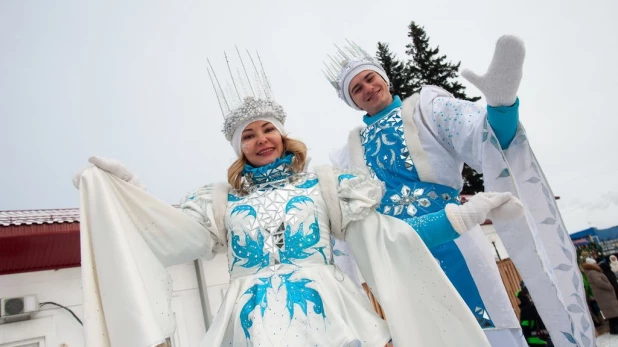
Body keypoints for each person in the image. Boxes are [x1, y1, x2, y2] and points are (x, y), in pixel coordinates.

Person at [72, 61, 524, 346]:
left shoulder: (326, 186)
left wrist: (463, 215)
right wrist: (128, 190)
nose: (260, 140)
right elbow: (173, 237)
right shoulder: (220, 202)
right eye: (248, 135)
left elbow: (390, 239)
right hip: (250, 328)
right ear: (239, 148)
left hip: (328, 321)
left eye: (266, 129)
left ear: (281, 134)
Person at [324, 36, 593, 346]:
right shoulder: (347, 154)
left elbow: (485, 139)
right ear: (352, 101)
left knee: (489, 330)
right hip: (400, 259)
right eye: (356, 88)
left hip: (458, 238)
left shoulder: (425, 109)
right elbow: (345, 220)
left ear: (383, 77)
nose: (367, 88)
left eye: (369, 78)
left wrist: (501, 108)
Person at [583, 258, 618, 335]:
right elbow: (599, 282)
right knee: (613, 313)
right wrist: (609, 286)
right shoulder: (593, 272)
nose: (596, 264)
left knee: (612, 314)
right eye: (594, 263)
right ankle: (615, 329)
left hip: (604, 296)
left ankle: (614, 329)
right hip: (605, 296)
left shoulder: (591, 272)